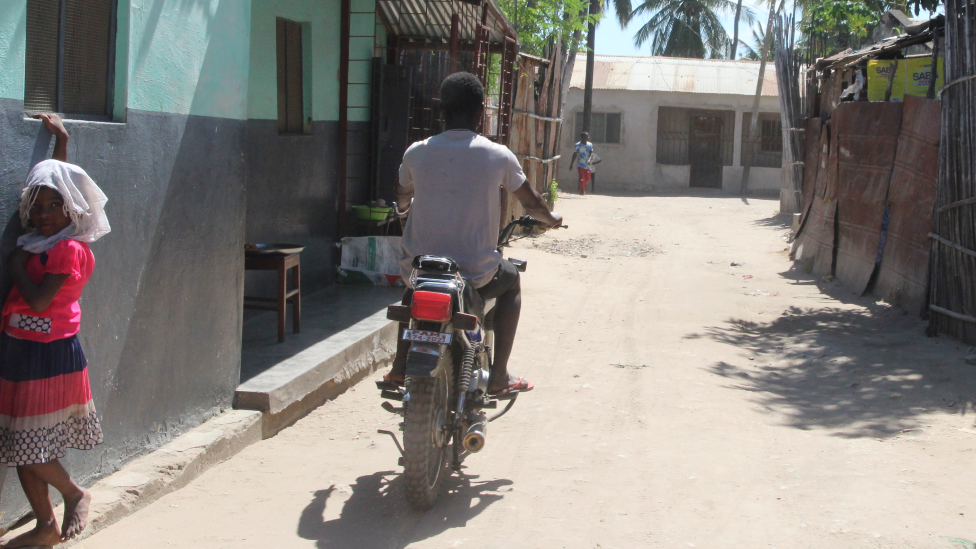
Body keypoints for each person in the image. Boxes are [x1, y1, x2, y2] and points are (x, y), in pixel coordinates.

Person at [387, 72, 563, 396]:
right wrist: (550, 219)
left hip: (420, 266)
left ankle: (399, 367)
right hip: (475, 273)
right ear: (481, 113)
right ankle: (498, 375)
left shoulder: (416, 152)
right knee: (512, 282)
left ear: (442, 111)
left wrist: (402, 215)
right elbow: (532, 203)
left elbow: (401, 194)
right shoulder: (498, 155)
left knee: (413, 289)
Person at [0, 114, 111, 548]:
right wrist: (60, 141)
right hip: (21, 350)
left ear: (72, 209)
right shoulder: (41, 241)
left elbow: (40, 301)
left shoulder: (66, 249)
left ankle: (74, 493)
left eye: (53, 207)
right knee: (21, 445)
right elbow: (56, 181)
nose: (43, 215)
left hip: (48, 355)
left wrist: (13, 267)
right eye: (37, 207)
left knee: (28, 444)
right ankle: (45, 525)